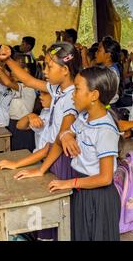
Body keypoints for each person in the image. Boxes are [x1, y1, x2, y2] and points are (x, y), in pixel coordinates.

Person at [46, 67, 120, 241]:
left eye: (77, 89)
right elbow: (67, 132)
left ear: (93, 95)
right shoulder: (84, 118)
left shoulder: (105, 129)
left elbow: (105, 177)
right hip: (83, 190)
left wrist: (69, 183)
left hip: (99, 197)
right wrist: (66, 137)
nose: (73, 94)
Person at [0, 42, 82, 181]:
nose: (45, 71)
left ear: (65, 69)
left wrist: (37, 169)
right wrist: (8, 60)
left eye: (49, 66)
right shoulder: (58, 89)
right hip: (50, 156)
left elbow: (58, 142)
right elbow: (29, 80)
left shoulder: (72, 99)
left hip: (61, 160)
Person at [0, 53, 37, 151]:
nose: (12, 72)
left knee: (23, 152)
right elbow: (4, 81)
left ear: (25, 71)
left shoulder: (28, 88)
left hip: (23, 128)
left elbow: (7, 82)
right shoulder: (20, 86)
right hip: (13, 124)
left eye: (15, 69)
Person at [95, 36, 121, 105]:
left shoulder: (111, 73)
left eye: (99, 50)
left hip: (108, 107)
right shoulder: (108, 69)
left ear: (108, 55)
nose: (96, 53)